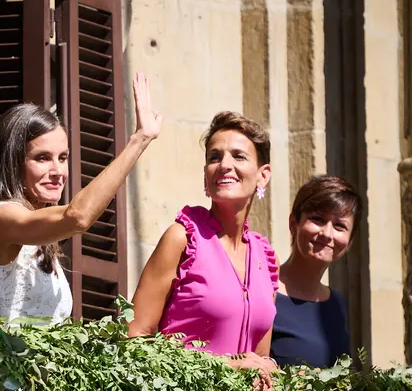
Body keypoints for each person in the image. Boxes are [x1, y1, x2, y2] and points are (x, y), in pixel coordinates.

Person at [0, 72, 162, 325]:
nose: (58, 171)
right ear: (14, 162)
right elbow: (78, 217)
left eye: (63, 158)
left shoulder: (39, 234)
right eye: (42, 158)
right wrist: (138, 140)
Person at [128, 111, 278, 387]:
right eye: (214, 157)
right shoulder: (182, 238)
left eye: (238, 156)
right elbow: (134, 339)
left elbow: (259, 357)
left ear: (263, 175)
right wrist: (224, 366)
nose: (224, 165)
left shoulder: (264, 258)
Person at [270, 175, 360, 367]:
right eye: (318, 219)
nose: (327, 234)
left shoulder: (337, 304)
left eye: (340, 226)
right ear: (294, 224)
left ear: (350, 241)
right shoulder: (264, 292)